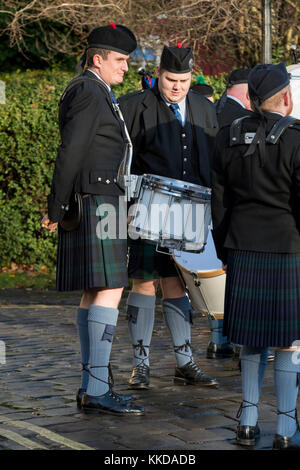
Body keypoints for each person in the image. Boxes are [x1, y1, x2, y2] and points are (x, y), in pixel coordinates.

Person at [41, 24, 144, 416]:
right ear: (97, 59)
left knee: (94, 290)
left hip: (100, 200)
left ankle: (92, 383)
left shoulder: (95, 89)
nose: (125, 68)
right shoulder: (88, 91)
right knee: (112, 287)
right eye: (119, 60)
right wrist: (56, 205)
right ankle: (98, 386)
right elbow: (71, 151)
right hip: (100, 201)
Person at [119, 43, 219, 390]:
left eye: (184, 80)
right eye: (171, 79)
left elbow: (214, 159)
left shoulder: (204, 110)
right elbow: (122, 159)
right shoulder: (134, 106)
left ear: (192, 78)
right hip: (149, 207)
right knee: (145, 281)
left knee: (180, 283)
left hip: (191, 210)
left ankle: (185, 362)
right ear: (158, 75)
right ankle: (141, 363)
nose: (177, 86)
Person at [211, 62, 300, 449]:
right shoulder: (298, 139)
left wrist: (223, 248)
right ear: (287, 97)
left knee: (251, 339)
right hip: (288, 248)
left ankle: (247, 421)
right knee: (288, 341)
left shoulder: (227, 136)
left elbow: (218, 200)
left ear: (249, 99)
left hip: (242, 246)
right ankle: (285, 428)